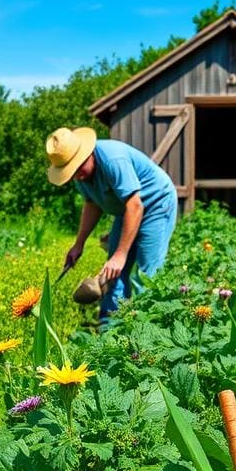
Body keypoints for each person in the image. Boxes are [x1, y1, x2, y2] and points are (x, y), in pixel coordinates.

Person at [46, 126, 178, 326]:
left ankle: (150, 332)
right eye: (70, 171)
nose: (77, 176)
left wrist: (120, 254)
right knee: (113, 273)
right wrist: (78, 244)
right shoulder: (80, 174)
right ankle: (110, 331)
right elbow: (92, 204)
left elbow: (135, 205)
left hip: (155, 204)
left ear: (87, 154)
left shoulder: (112, 160)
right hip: (128, 211)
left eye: (77, 168)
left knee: (146, 273)